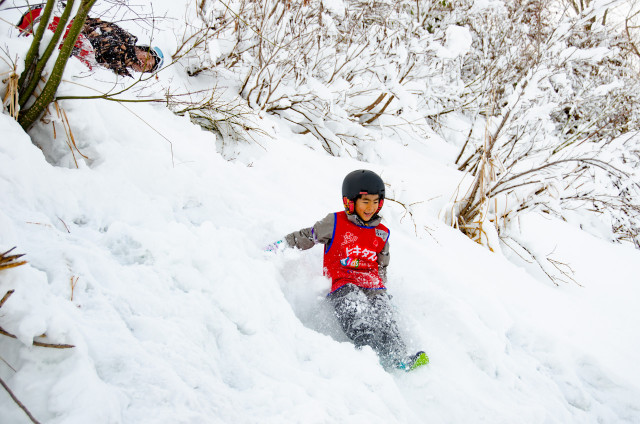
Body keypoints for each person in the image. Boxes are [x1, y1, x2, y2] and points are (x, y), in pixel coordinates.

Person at [267, 170, 429, 371]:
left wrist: (382, 289)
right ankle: (368, 354)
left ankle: (398, 356)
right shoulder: (335, 223)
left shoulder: (382, 232)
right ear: (349, 202)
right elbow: (308, 236)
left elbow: (382, 263)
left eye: (375, 202)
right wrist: (281, 245)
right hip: (343, 282)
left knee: (385, 317)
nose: (371, 207)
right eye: (365, 201)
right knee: (357, 313)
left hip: (373, 285)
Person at [17, 6, 163, 77]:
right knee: (88, 54)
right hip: (62, 27)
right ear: (143, 49)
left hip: (54, 60)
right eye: (147, 58)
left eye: (147, 68)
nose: (144, 63)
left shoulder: (119, 71)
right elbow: (99, 38)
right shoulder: (125, 39)